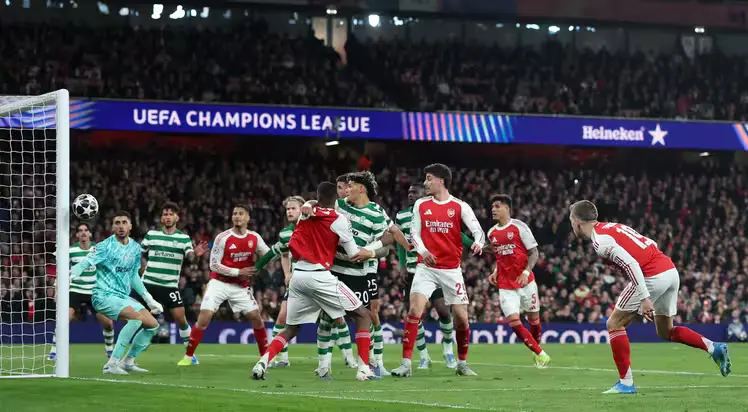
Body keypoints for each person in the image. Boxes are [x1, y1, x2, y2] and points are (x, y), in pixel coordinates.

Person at [568, 200, 732, 394]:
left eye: (571, 220)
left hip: (652, 276)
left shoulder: (600, 241)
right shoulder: (613, 227)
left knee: (614, 323)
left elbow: (631, 264)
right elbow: (650, 243)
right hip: (669, 270)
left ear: (577, 221)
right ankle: (713, 348)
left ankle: (626, 383)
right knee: (665, 331)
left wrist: (645, 298)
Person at [251, 181, 378, 381]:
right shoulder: (339, 219)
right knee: (363, 315)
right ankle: (363, 369)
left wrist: (309, 203)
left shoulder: (305, 214)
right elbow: (353, 253)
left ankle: (262, 363)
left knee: (291, 328)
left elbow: (311, 206)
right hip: (319, 275)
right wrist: (374, 250)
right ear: (336, 198)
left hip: (298, 276)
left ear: (318, 197)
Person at [391, 163, 485, 378]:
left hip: (451, 270)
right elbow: (413, 233)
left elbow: (478, 231)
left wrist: (478, 243)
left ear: (441, 181)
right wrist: (423, 251)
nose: (425, 183)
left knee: (461, 318)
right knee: (414, 311)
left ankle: (462, 363)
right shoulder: (421, 204)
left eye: (429, 179)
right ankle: (406, 364)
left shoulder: (460, 206)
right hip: (426, 268)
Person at [70, 212, 164, 375]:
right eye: (117, 223)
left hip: (122, 297)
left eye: (124, 222)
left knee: (152, 325)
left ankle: (128, 361)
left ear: (130, 226)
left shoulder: (135, 248)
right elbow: (85, 263)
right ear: (112, 227)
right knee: (135, 319)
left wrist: (149, 299)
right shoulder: (104, 246)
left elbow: (133, 276)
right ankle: (111, 364)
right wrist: (70, 275)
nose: (121, 226)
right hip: (103, 295)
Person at [177, 204, 269, 366]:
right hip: (219, 283)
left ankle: (265, 357)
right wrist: (238, 272)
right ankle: (188, 356)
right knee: (204, 317)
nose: (237, 216)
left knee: (256, 318)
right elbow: (213, 265)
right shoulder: (222, 238)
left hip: (240, 286)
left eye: (241, 213)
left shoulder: (255, 238)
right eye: (234, 213)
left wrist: (258, 266)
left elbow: (268, 255)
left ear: (248, 218)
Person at [395, 183, 467, 369]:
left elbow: (456, 233)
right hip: (413, 271)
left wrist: (475, 243)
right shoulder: (401, 216)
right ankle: (423, 356)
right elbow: (400, 241)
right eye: (409, 192)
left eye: (414, 192)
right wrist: (402, 265)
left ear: (424, 194)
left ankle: (448, 350)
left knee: (443, 311)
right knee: (414, 314)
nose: (410, 195)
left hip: (434, 269)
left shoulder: (433, 210)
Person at [137, 202, 208, 365]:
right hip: (148, 284)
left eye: (171, 214)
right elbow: (137, 254)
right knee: (140, 318)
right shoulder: (151, 235)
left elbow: (190, 257)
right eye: (165, 214)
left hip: (169, 285)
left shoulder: (183, 238)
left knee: (181, 319)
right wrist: (140, 267)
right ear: (161, 218)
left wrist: (196, 255)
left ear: (177, 217)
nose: (168, 217)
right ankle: (134, 351)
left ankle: (190, 354)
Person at [486, 194, 550, 368]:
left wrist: (526, 272)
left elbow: (534, 252)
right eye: (492, 207)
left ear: (507, 208)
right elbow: (500, 256)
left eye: (497, 206)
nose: (493, 209)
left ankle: (536, 350)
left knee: (534, 320)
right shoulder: (491, 233)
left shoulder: (519, 227)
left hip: (526, 282)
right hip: (506, 285)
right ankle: (541, 354)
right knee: (514, 322)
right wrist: (495, 271)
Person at [253, 195, 310, 368]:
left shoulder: (314, 227)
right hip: (297, 281)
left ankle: (349, 360)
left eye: (293, 208)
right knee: (282, 318)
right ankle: (281, 359)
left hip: (318, 278)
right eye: (288, 209)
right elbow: (280, 253)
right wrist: (286, 274)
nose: (289, 211)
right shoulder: (285, 233)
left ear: (302, 209)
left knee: (334, 320)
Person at [49, 223, 115, 361]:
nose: (83, 233)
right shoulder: (71, 250)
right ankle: (54, 350)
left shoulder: (99, 250)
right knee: (64, 319)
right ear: (77, 235)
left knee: (108, 322)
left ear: (90, 234)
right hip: (76, 289)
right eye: (80, 230)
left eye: (86, 230)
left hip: (94, 291)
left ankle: (109, 350)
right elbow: (61, 272)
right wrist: (57, 291)